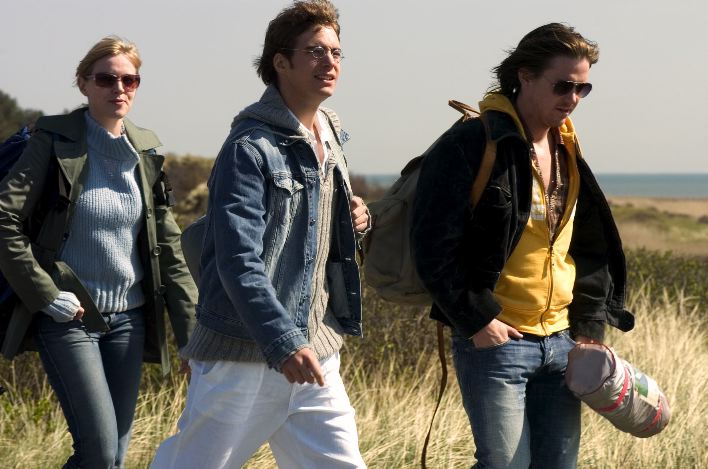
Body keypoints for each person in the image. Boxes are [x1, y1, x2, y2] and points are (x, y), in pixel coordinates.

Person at [151, 1, 369, 468]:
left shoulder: (331, 131)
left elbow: (312, 230)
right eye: (315, 51)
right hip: (243, 356)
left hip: (316, 350)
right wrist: (283, 341)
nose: (330, 62)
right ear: (281, 63)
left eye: (336, 52)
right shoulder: (249, 147)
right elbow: (238, 259)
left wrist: (352, 216)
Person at [411, 23, 634, 468]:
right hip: (498, 342)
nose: (573, 98)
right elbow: (432, 244)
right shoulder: (473, 143)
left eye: (583, 88)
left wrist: (589, 327)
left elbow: (587, 247)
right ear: (525, 76)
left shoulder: (567, 147)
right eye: (563, 85)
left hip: (563, 341)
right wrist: (478, 319)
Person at [0, 36, 197, 468]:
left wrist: (191, 335)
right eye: (106, 79)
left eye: (130, 80)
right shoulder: (52, 141)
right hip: (69, 317)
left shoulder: (145, 151)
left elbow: (168, 248)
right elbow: (3, 219)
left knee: (114, 458)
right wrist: (46, 295)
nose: (119, 88)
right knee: (100, 453)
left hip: (129, 320)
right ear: (84, 83)